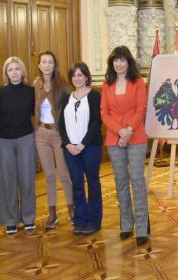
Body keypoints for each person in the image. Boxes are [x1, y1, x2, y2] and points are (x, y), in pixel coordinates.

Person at [101, 46, 149, 246]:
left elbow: (141, 108)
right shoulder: (106, 84)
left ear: (129, 62)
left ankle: (142, 226)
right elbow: (104, 113)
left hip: (136, 136)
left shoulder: (138, 82)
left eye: (122, 60)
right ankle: (126, 225)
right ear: (112, 63)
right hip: (114, 138)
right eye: (115, 60)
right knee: (121, 182)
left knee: (137, 180)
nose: (119, 64)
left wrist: (127, 131)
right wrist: (120, 132)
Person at [59, 62, 103, 235]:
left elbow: (96, 123)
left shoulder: (95, 96)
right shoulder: (66, 98)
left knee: (92, 182)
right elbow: (61, 124)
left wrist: (82, 143)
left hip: (90, 146)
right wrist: (68, 143)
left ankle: (94, 220)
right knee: (77, 183)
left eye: (80, 75)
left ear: (86, 77)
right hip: (70, 149)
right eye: (74, 75)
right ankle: (80, 219)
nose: (77, 78)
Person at [0, 57, 36, 234]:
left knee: (27, 179)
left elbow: (37, 112)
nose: (14, 72)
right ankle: (10, 220)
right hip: (4, 140)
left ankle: (28, 218)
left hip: (26, 138)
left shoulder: (31, 92)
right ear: (6, 73)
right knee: (7, 181)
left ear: (22, 71)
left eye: (17, 69)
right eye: (10, 69)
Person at [33, 51, 74, 229]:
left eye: (50, 62)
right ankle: (52, 212)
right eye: (44, 62)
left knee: (64, 174)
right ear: (39, 65)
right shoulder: (35, 85)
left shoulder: (63, 86)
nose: (47, 65)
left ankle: (71, 209)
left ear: (54, 65)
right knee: (49, 175)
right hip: (41, 134)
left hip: (58, 135)